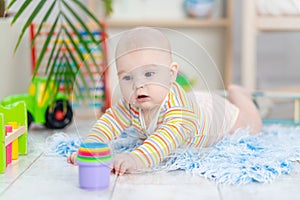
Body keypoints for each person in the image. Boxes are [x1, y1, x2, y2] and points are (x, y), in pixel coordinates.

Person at [68, 27, 262, 175]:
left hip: (222, 115)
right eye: (127, 78)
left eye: (149, 74)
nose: (138, 85)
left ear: (171, 74)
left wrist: (136, 159)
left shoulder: (179, 112)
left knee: (252, 128)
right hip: (198, 100)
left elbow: (165, 140)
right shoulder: (131, 103)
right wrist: (90, 150)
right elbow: (108, 123)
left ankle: (239, 95)